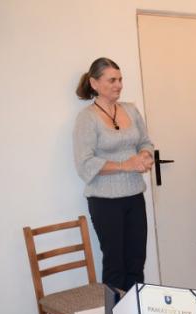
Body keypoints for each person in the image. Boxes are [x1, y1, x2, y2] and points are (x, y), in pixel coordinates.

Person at [73, 57, 154, 291]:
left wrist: (145, 156)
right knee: (115, 265)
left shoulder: (131, 109)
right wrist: (125, 165)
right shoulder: (87, 118)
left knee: (136, 262)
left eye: (120, 79)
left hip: (134, 196)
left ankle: (134, 312)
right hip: (105, 202)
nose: (118, 85)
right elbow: (85, 164)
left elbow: (146, 142)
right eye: (112, 80)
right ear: (94, 83)